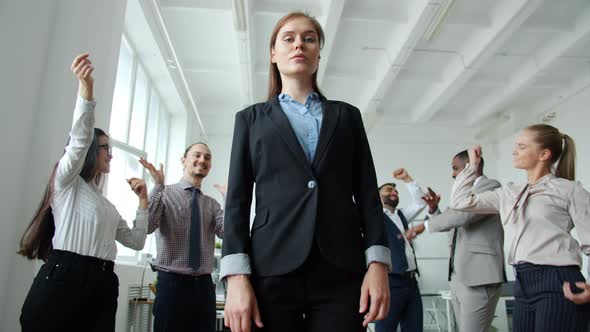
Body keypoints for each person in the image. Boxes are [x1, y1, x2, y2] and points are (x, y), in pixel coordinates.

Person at [220, 11, 391, 332]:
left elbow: (368, 194)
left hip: (341, 269)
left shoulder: (347, 116)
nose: (299, 44)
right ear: (273, 53)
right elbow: (237, 204)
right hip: (270, 267)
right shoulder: (250, 120)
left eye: (309, 38)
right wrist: (236, 278)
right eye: (289, 38)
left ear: (318, 53)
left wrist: (378, 264)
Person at [18, 53, 149, 332]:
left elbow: (137, 241)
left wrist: (143, 203)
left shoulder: (106, 207)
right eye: (106, 149)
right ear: (91, 150)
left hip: (102, 284)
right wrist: (86, 91)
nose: (111, 156)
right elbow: (78, 141)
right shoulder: (66, 183)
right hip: (65, 278)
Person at [450, 125, 590, 331]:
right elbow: (460, 203)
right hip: (523, 282)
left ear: (544, 154)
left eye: (522, 147)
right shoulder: (509, 193)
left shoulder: (569, 190)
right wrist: (472, 167)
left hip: (559, 281)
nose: (514, 151)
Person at [407, 151, 505, 332]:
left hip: (479, 277)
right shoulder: (464, 194)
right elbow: (453, 227)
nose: (452, 174)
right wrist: (435, 210)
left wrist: (424, 226)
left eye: (455, 168)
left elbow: (462, 216)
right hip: (459, 277)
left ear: (471, 166)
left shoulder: (490, 187)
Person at [140, 142, 224, 332]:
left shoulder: (212, 205)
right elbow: (147, 226)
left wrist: (230, 199)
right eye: (197, 155)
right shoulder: (164, 193)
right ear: (183, 160)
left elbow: (226, 232)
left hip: (204, 286)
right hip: (172, 285)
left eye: (207, 157)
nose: (202, 160)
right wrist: (158, 186)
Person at [376, 168, 437, 332]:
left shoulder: (402, 215)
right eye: (389, 190)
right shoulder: (374, 218)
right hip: (390, 282)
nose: (394, 192)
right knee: (385, 328)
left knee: (414, 327)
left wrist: (407, 179)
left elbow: (420, 203)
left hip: (411, 282)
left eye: (395, 190)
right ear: (378, 196)